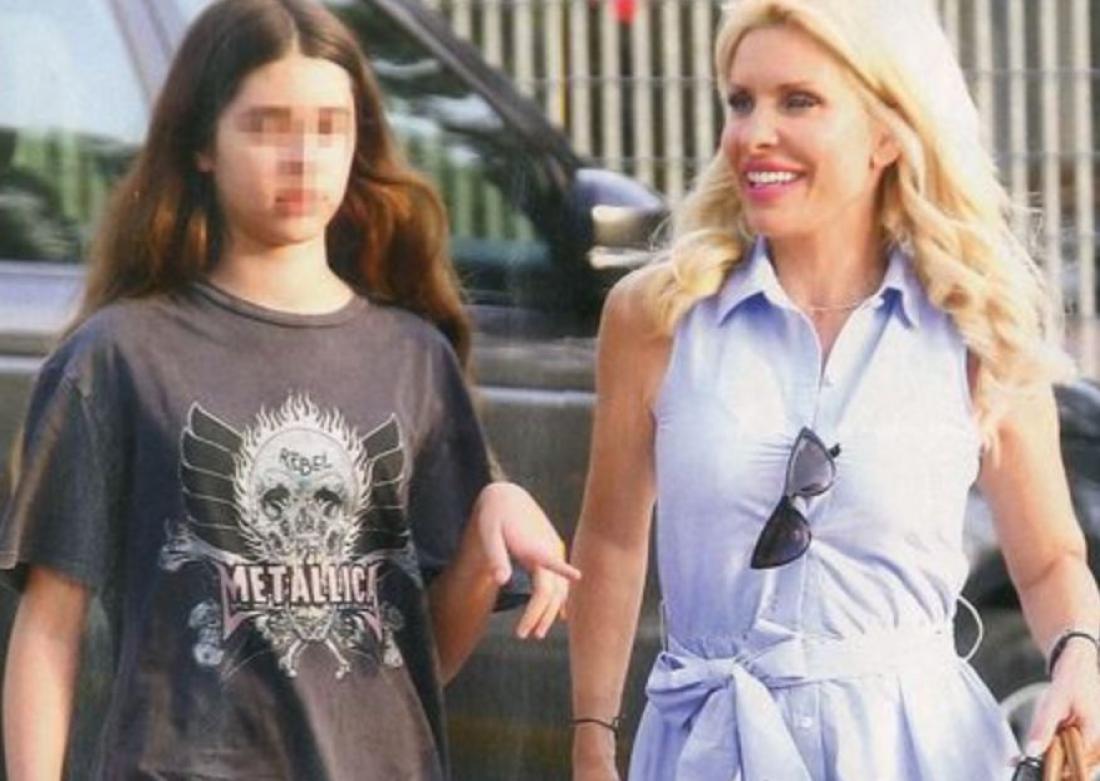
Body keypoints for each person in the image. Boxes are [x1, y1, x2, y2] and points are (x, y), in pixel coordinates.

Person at [0, 1, 579, 778]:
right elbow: (48, 627)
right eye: (267, 126)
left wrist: (486, 530)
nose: (303, 158)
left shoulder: (414, 357)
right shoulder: (118, 357)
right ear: (202, 144)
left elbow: (422, 661)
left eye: (329, 127)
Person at [568, 0, 1100, 778]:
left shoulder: (978, 326)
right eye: (740, 101)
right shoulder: (655, 318)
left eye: (798, 101)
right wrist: (591, 738)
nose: (754, 133)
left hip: (919, 753)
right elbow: (612, 541)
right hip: (710, 750)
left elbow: (1050, 557)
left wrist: (1079, 655)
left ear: (887, 133)